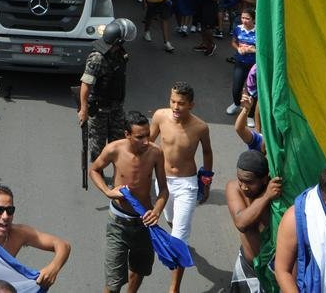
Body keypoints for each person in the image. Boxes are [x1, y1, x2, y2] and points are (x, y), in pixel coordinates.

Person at [88, 111, 168, 293]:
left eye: (148, 135)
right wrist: (108, 192)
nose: (146, 141)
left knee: (139, 270)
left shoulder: (156, 153)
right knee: (113, 283)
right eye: (140, 137)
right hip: (118, 225)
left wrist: (156, 211)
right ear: (127, 135)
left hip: (144, 224)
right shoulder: (113, 149)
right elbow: (94, 170)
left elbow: (163, 189)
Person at [149, 81, 213, 293]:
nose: (176, 107)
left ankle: (174, 288)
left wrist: (206, 181)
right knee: (170, 219)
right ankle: (178, 232)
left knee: (178, 237)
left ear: (191, 105)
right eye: (173, 101)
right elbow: (148, 143)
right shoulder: (159, 116)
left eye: (181, 103)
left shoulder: (201, 127)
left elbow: (207, 152)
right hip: (163, 181)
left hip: (187, 183)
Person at [0, 183, 71, 288]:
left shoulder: (19, 234)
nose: (5, 216)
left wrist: (53, 268)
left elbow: (63, 245)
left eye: (10, 211)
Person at [225, 150, 281, 293]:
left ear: (264, 179)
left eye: (249, 182)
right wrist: (266, 196)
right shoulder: (234, 188)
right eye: (240, 180)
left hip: (273, 271)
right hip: (248, 267)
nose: (244, 186)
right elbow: (241, 223)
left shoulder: (277, 191)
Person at [79, 20, 130, 164]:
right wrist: (84, 109)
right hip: (99, 109)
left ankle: (119, 174)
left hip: (116, 107)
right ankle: (97, 173)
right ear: (117, 41)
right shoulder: (97, 58)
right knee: (98, 147)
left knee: (120, 143)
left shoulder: (120, 54)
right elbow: (85, 85)